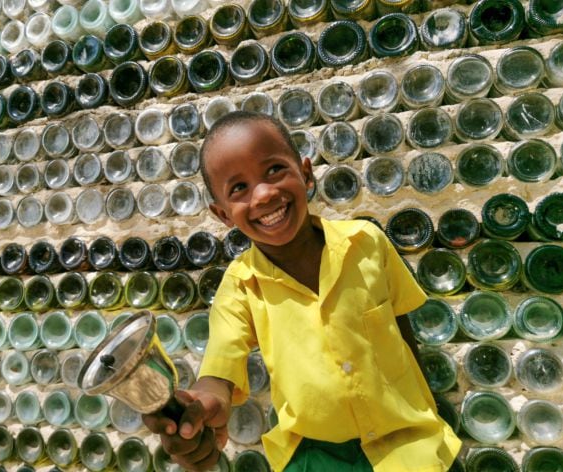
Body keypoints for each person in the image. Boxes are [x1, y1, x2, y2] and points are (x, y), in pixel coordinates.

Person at [143, 111, 461, 472]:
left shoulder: (367, 243)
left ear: (306, 174)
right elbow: (219, 375)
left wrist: (429, 415)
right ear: (223, 215)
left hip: (411, 447)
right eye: (239, 188)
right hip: (314, 458)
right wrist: (202, 404)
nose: (263, 194)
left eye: (274, 170)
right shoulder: (240, 287)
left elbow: (403, 333)